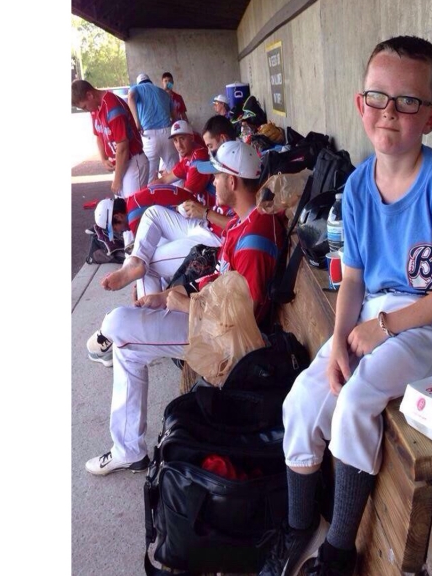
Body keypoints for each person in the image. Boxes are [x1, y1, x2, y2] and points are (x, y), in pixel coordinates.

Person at [260, 36, 432, 576]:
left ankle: (338, 553)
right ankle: (300, 528)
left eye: (408, 101)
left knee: (357, 398)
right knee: (301, 401)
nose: (391, 111)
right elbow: (354, 279)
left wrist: (383, 328)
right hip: (373, 316)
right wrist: (340, 340)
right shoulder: (359, 184)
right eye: (378, 97)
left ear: (431, 117)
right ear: (361, 105)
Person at [85, 139, 286, 476]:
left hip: (226, 344)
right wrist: (170, 297)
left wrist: (186, 303)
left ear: (233, 182)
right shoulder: (242, 222)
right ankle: (127, 449)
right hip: (207, 321)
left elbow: (244, 320)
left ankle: (127, 446)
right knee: (127, 347)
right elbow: (222, 284)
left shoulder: (254, 237)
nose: (213, 182)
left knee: (119, 324)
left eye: (218, 176)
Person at [71, 79, 149, 198]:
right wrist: (103, 158)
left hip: (134, 161)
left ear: (89, 95)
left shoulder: (112, 106)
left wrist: (117, 180)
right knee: (122, 211)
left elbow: (123, 146)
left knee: (134, 210)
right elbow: (98, 134)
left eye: (85, 106)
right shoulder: (95, 109)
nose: (86, 110)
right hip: (121, 163)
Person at [128, 72, 179, 179]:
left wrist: (137, 122)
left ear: (139, 82)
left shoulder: (136, 88)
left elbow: (131, 96)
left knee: (150, 176)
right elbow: (175, 115)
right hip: (167, 133)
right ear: (150, 81)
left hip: (149, 135)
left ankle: (153, 194)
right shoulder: (164, 93)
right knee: (175, 172)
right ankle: (179, 194)